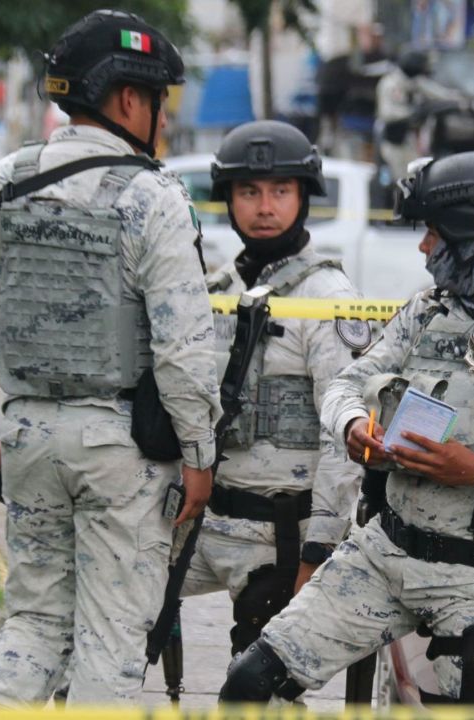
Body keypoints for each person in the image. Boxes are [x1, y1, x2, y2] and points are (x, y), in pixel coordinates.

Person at [217, 150, 474, 704]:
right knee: (249, 685)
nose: (423, 247)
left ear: (471, 239)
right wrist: (355, 427)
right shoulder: (426, 311)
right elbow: (344, 386)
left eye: (433, 233)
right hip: (383, 553)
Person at [0, 9, 222, 706]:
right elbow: (184, 347)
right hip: (121, 452)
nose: (164, 119)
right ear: (129, 99)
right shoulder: (153, 197)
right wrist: (199, 456)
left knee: (33, 624)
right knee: (112, 640)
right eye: (162, 101)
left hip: (27, 436)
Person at [180, 120, 368, 656]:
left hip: (282, 534)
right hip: (205, 522)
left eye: (280, 192)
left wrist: (320, 550)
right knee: (112, 621)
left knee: (256, 688)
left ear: (303, 197)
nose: (265, 207)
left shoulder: (329, 298)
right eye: (249, 192)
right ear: (229, 200)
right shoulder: (218, 289)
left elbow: (345, 440)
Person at [375, 49, 462, 185]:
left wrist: (457, 98)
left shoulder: (414, 81)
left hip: (408, 138)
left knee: (414, 175)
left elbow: (438, 93)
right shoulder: (390, 83)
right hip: (393, 138)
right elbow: (386, 113)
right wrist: (411, 112)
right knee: (398, 179)